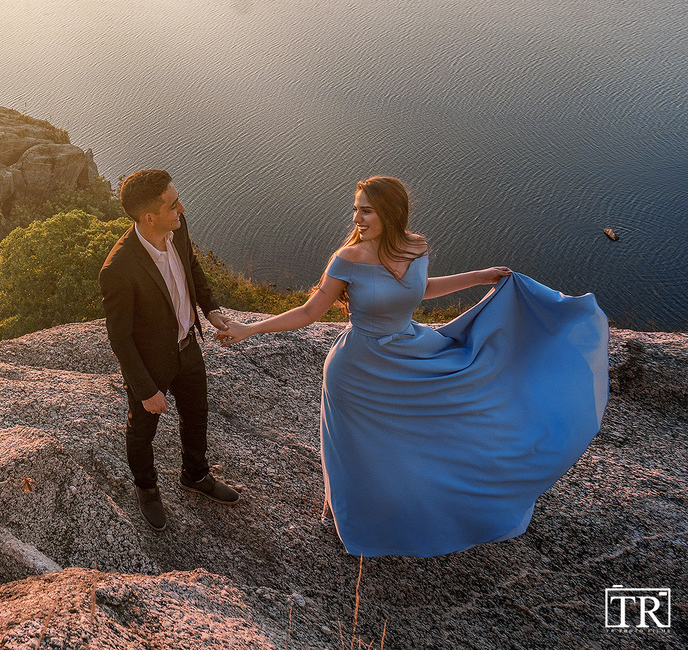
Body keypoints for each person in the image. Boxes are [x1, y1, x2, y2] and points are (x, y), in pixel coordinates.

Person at [216, 176, 609, 557]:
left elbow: (421, 289)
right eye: (356, 211)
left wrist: (480, 277)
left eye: (366, 211)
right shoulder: (346, 260)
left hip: (409, 350)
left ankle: (445, 499)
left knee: (452, 417)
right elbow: (309, 312)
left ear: (391, 213)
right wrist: (250, 329)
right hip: (358, 370)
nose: (357, 220)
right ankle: (352, 515)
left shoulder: (416, 247)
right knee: (360, 450)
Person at [99, 169, 241, 531]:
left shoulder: (177, 229)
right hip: (150, 364)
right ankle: (147, 490)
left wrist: (210, 309)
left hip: (187, 346)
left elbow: (191, 267)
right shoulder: (119, 268)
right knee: (142, 430)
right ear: (150, 217)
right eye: (172, 203)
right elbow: (120, 337)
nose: (181, 206)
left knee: (196, 415)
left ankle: (195, 475)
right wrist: (146, 390)